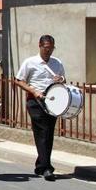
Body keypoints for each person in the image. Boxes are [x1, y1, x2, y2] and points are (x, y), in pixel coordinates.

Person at [14, 35, 65, 181]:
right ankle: (47, 168)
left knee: (47, 134)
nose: (49, 51)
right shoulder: (30, 62)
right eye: (46, 48)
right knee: (42, 131)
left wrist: (60, 80)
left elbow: (63, 79)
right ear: (40, 46)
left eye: (51, 48)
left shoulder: (57, 63)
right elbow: (19, 80)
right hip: (35, 101)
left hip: (53, 102)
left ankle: (40, 165)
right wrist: (34, 91)